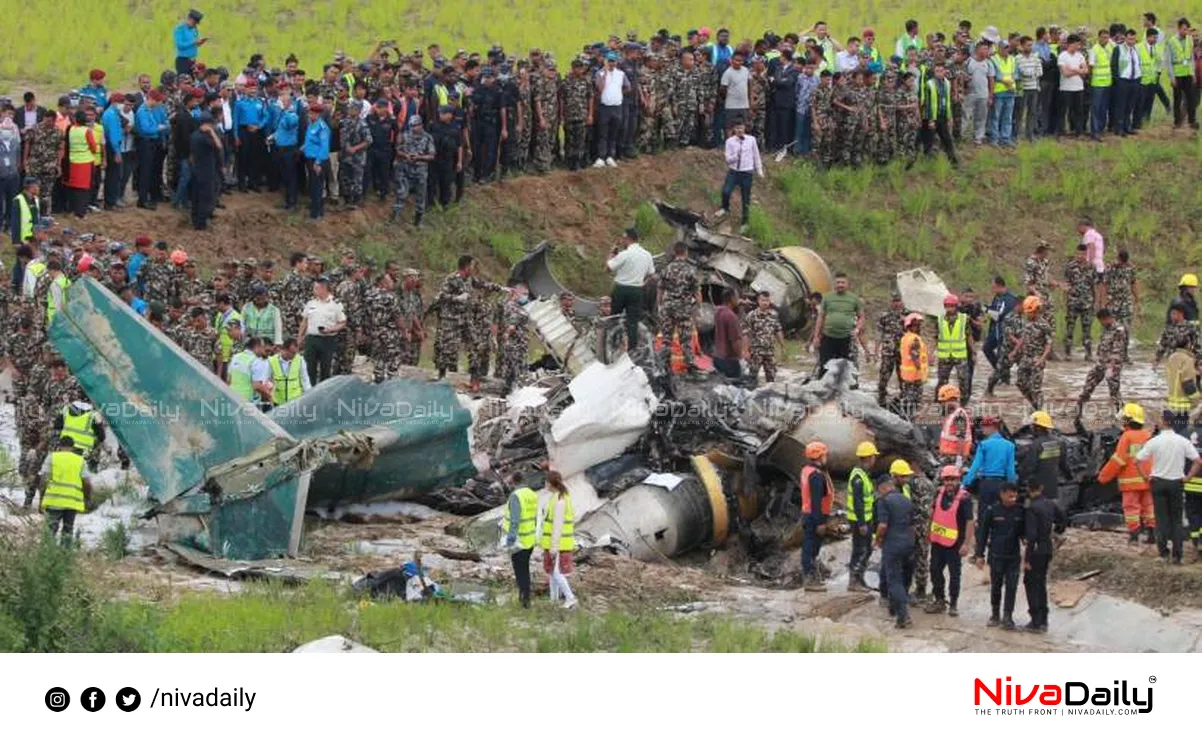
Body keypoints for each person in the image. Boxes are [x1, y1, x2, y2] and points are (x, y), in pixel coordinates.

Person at [1136, 409, 1202, 564]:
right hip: (1176, 483)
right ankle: (1177, 556)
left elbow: (1137, 460)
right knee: (1176, 520)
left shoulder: (1155, 441)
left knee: (1161, 519)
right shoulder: (1182, 441)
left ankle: (1163, 553)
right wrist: (1188, 477)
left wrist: (1145, 477)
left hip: (1158, 482)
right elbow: (1198, 461)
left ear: (1163, 422)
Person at [1098, 403, 1156, 543]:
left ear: (1128, 420)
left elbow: (1119, 459)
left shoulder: (1127, 436)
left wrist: (1103, 477)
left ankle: (1134, 535)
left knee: (1131, 509)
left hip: (1130, 482)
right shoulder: (1148, 435)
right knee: (1149, 507)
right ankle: (1152, 534)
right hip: (1148, 480)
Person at [973, 481, 1024, 630]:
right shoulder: (992, 510)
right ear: (1002, 494)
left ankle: (1008, 617)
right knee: (996, 586)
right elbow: (983, 534)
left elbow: (1025, 532)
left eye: (1015, 496)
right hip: (996, 556)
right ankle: (995, 615)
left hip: (1013, 557)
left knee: (1012, 587)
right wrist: (979, 554)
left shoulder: (1020, 511)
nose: (1012, 498)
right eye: (1009, 496)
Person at [926, 465, 974, 616]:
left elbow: (970, 522)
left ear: (958, 480)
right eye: (947, 480)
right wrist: (928, 532)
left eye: (952, 479)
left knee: (954, 574)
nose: (949, 483)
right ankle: (939, 599)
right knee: (934, 570)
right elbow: (933, 513)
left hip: (955, 543)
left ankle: (953, 604)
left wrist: (966, 543)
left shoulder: (964, 498)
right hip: (938, 541)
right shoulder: (939, 494)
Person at [1022, 483, 1066, 632]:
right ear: (1041, 488)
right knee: (1041, 584)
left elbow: (1031, 536)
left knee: (1031, 584)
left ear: (1029, 490)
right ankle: (1044, 621)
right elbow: (1063, 519)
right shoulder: (1051, 504)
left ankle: (1035, 621)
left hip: (1035, 551)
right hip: (1047, 548)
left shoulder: (1032, 508)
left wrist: (1027, 558)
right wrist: (1058, 531)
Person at [873, 473, 915, 629]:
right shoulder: (906, 500)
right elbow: (912, 524)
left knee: (894, 579)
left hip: (893, 544)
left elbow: (882, 525)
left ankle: (903, 616)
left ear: (882, 488)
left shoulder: (883, 501)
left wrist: (877, 540)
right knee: (905, 577)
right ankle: (895, 606)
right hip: (909, 543)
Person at [39, 436, 92, 547]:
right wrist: (87, 498)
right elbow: (87, 482)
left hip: (54, 501)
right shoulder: (80, 460)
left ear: (59, 446)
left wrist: (41, 498)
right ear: (72, 447)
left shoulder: (52, 457)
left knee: (50, 530)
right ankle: (65, 555)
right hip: (71, 502)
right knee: (68, 530)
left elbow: (43, 479)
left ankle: (47, 554)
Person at [606, 228, 654, 350]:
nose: (621, 241)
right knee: (632, 321)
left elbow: (608, 268)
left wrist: (611, 254)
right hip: (637, 290)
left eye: (622, 239)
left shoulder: (625, 254)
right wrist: (643, 284)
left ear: (627, 238)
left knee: (614, 318)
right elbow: (651, 274)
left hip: (621, 289)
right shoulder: (647, 255)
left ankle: (612, 344)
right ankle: (632, 349)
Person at [963, 415, 1016, 520]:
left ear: (993, 427)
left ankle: (982, 535)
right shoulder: (1009, 445)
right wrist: (1012, 487)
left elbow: (975, 466)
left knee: (983, 515)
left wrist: (965, 483)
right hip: (1002, 485)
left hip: (986, 484)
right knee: (1000, 515)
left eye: (984, 426)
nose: (982, 429)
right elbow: (1010, 470)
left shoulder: (984, 445)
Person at [1076, 309, 1126, 417]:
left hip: (1113, 365)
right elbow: (1102, 346)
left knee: (1114, 391)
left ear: (1107, 318)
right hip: (1101, 363)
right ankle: (1078, 409)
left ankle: (1122, 414)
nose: (1101, 323)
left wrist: (1111, 367)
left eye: (1102, 321)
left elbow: (1117, 350)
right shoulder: (1106, 329)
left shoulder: (1119, 330)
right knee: (1089, 383)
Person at [811, 272, 863, 375]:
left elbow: (861, 317)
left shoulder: (854, 299)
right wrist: (816, 336)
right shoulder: (827, 297)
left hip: (846, 338)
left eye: (843, 282)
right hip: (828, 337)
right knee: (824, 366)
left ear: (847, 284)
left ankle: (844, 388)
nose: (840, 285)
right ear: (834, 284)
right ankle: (824, 388)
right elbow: (821, 317)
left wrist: (857, 329)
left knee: (845, 366)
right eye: (838, 282)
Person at [501, 472, 540, 609]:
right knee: (525, 570)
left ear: (513, 482)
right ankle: (525, 598)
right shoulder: (532, 494)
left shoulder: (515, 496)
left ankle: (524, 601)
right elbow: (534, 517)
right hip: (529, 539)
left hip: (519, 541)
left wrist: (510, 540)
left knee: (520, 572)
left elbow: (515, 520)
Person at [715, 120, 763, 229]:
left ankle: (745, 222)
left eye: (741, 128)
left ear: (744, 128)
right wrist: (736, 156)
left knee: (746, 197)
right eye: (737, 128)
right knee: (726, 191)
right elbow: (728, 159)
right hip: (734, 172)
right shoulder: (730, 142)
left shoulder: (751, 140)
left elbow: (756, 156)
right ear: (734, 129)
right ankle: (725, 207)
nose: (739, 130)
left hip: (747, 172)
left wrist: (759, 170)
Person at [298, 276, 346, 386]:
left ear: (324, 288)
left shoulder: (335, 303)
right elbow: (304, 321)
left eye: (316, 288)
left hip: (327, 339)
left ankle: (324, 394)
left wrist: (330, 329)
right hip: (312, 339)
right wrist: (300, 337)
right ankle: (310, 392)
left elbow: (342, 322)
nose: (314, 290)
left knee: (326, 369)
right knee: (309, 368)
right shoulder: (311, 303)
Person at [799, 441, 834, 591]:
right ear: (819, 456)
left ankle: (811, 576)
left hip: (809, 514)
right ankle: (810, 578)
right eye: (824, 454)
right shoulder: (816, 476)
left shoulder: (807, 470)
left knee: (809, 547)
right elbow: (816, 500)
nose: (826, 457)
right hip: (815, 516)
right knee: (810, 548)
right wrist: (820, 522)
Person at [541, 470, 577, 609]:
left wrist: (554, 546)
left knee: (557, 573)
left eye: (546, 481)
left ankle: (570, 598)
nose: (545, 483)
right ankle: (554, 600)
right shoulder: (558, 497)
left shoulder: (560, 500)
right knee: (551, 572)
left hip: (559, 543)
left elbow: (557, 525)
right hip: (556, 542)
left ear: (551, 483)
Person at [846, 441, 878, 592]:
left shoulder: (863, 474)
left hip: (865, 518)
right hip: (860, 520)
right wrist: (862, 524)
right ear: (869, 457)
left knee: (867, 549)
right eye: (873, 457)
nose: (875, 460)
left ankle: (859, 577)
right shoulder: (858, 478)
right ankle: (854, 581)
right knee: (860, 549)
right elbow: (858, 502)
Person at [1011, 295, 1053, 409]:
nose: (1028, 314)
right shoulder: (1026, 322)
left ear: (1037, 310)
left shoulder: (1044, 326)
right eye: (1027, 312)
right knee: (1020, 383)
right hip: (1026, 357)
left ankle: (1040, 411)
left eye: (1031, 312)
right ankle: (1034, 404)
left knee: (1036, 388)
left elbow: (1049, 344)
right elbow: (1023, 338)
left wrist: (1042, 359)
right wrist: (1014, 351)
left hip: (1037, 359)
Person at [593, 51, 629, 167]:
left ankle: (610, 156)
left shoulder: (621, 74)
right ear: (606, 61)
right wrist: (604, 73)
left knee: (613, 134)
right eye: (609, 61)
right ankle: (601, 157)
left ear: (616, 62)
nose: (611, 63)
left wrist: (619, 94)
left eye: (613, 61)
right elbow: (599, 88)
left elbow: (628, 87)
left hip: (617, 107)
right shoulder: (600, 73)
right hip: (604, 107)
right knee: (603, 133)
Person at [935, 294, 972, 403]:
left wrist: (973, 352)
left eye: (951, 306)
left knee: (963, 380)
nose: (949, 308)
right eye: (947, 306)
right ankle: (941, 403)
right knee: (942, 381)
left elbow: (969, 336)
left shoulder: (964, 318)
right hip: (944, 356)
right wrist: (930, 354)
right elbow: (935, 337)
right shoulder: (940, 319)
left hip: (960, 355)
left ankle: (963, 404)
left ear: (956, 306)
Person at [743, 290, 784, 384]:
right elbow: (746, 334)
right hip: (756, 352)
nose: (765, 303)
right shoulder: (751, 316)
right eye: (763, 300)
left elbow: (778, 330)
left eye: (767, 300)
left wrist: (782, 346)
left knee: (771, 377)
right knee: (752, 377)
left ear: (770, 301)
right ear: (758, 301)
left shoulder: (774, 315)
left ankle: (769, 396)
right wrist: (745, 351)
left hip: (769, 351)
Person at [1062, 244, 1095, 360]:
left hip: (1087, 302)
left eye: (1082, 254)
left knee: (1087, 328)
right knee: (1070, 327)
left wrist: (1095, 301)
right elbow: (1066, 283)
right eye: (1078, 254)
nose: (1080, 256)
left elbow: (1093, 285)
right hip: (1073, 301)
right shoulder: (1070, 266)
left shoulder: (1091, 266)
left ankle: (1088, 353)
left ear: (1086, 254)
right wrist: (1065, 296)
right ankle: (1067, 352)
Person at [874, 292, 906, 407]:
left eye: (898, 301)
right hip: (888, 351)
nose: (896, 304)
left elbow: (915, 334)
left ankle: (903, 398)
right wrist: (876, 351)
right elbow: (878, 333)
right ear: (891, 302)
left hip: (903, 352)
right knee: (884, 375)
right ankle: (881, 398)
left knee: (904, 376)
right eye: (894, 301)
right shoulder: (884, 315)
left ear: (902, 301)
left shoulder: (908, 315)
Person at [1164, 335, 1198, 432]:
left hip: (1172, 402)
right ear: (1188, 345)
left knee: (1172, 430)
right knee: (1181, 431)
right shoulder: (1187, 359)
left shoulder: (1171, 357)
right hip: (1182, 404)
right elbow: (1187, 382)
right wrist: (1197, 400)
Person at [1168, 18, 1198, 129]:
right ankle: (1177, 122)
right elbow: (1168, 61)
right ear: (1179, 28)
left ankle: (1192, 121)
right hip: (1177, 75)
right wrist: (1172, 77)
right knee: (1177, 99)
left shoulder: (1190, 39)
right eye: (1184, 29)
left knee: (1191, 98)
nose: (1186, 32)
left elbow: (1191, 58)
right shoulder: (1171, 41)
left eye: (1187, 30)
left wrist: (1193, 73)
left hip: (1188, 74)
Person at [302, 103, 330, 220]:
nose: (310, 115)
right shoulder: (311, 125)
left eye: (312, 113)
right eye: (309, 113)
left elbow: (324, 147)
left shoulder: (322, 127)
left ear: (318, 114)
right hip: (309, 159)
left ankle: (316, 214)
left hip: (317, 160)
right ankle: (317, 210)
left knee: (317, 187)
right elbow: (310, 141)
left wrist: (318, 162)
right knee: (313, 186)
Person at [1057, 35, 1089, 136]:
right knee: (1063, 111)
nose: (1078, 47)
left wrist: (1074, 70)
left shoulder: (1080, 55)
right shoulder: (1063, 56)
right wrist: (1078, 71)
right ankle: (1061, 131)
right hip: (1066, 88)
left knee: (1078, 110)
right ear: (1071, 44)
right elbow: (1065, 73)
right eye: (1077, 44)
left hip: (1078, 87)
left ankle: (1078, 131)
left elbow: (1086, 70)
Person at [897, 312, 927, 418]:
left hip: (906, 375)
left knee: (907, 398)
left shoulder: (905, 337)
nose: (918, 327)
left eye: (918, 325)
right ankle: (909, 420)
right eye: (916, 325)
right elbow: (915, 358)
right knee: (914, 400)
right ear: (910, 326)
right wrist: (921, 372)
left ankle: (904, 416)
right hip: (915, 375)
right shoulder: (915, 339)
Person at [711, 287, 743, 381]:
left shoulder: (718, 311)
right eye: (737, 297)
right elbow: (735, 341)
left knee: (722, 386)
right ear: (732, 298)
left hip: (717, 357)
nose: (738, 299)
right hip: (729, 360)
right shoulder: (731, 316)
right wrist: (740, 356)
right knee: (735, 390)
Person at [936, 385, 972, 467]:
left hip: (954, 456)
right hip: (948, 456)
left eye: (943, 402)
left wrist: (959, 459)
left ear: (950, 399)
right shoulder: (952, 414)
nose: (942, 404)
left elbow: (961, 438)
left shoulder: (959, 416)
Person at [267, 337, 310, 406]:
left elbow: (305, 380)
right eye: (292, 353)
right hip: (277, 402)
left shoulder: (300, 360)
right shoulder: (272, 361)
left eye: (296, 352)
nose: (294, 355)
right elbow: (267, 379)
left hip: (296, 401)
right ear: (284, 350)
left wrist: (308, 396)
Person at [173, 9, 208, 75]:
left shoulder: (194, 30)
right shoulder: (180, 29)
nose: (195, 25)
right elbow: (180, 45)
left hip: (192, 60)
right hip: (182, 60)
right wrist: (194, 42)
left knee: (193, 82)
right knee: (184, 81)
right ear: (189, 18)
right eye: (194, 22)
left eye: (196, 23)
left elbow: (196, 44)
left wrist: (201, 42)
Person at [10, 176, 40, 246]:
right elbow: (15, 223)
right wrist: (16, 241)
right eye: (37, 186)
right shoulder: (18, 200)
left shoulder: (36, 199)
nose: (38, 188)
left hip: (34, 239)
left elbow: (36, 219)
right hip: (23, 241)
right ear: (31, 187)